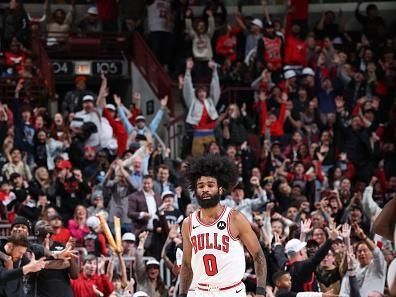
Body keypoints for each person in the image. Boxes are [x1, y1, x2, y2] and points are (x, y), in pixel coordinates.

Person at [178, 154, 267, 297]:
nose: (205, 189)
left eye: (210, 185)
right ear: (195, 191)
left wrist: (261, 291)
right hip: (201, 292)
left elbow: (258, 255)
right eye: (201, 186)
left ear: (220, 189)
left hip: (231, 291)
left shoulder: (235, 218)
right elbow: (187, 264)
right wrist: (182, 294)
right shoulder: (188, 223)